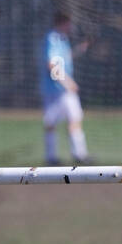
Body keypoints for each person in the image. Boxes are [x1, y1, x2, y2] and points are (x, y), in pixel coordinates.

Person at [40, 12, 91, 166]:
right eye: (68, 24)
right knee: (51, 123)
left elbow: (63, 59)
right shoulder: (52, 38)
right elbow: (51, 64)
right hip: (56, 90)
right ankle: (51, 157)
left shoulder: (63, 39)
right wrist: (67, 82)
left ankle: (79, 154)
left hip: (65, 91)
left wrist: (78, 50)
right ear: (62, 23)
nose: (70, 27)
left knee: (75, 119)